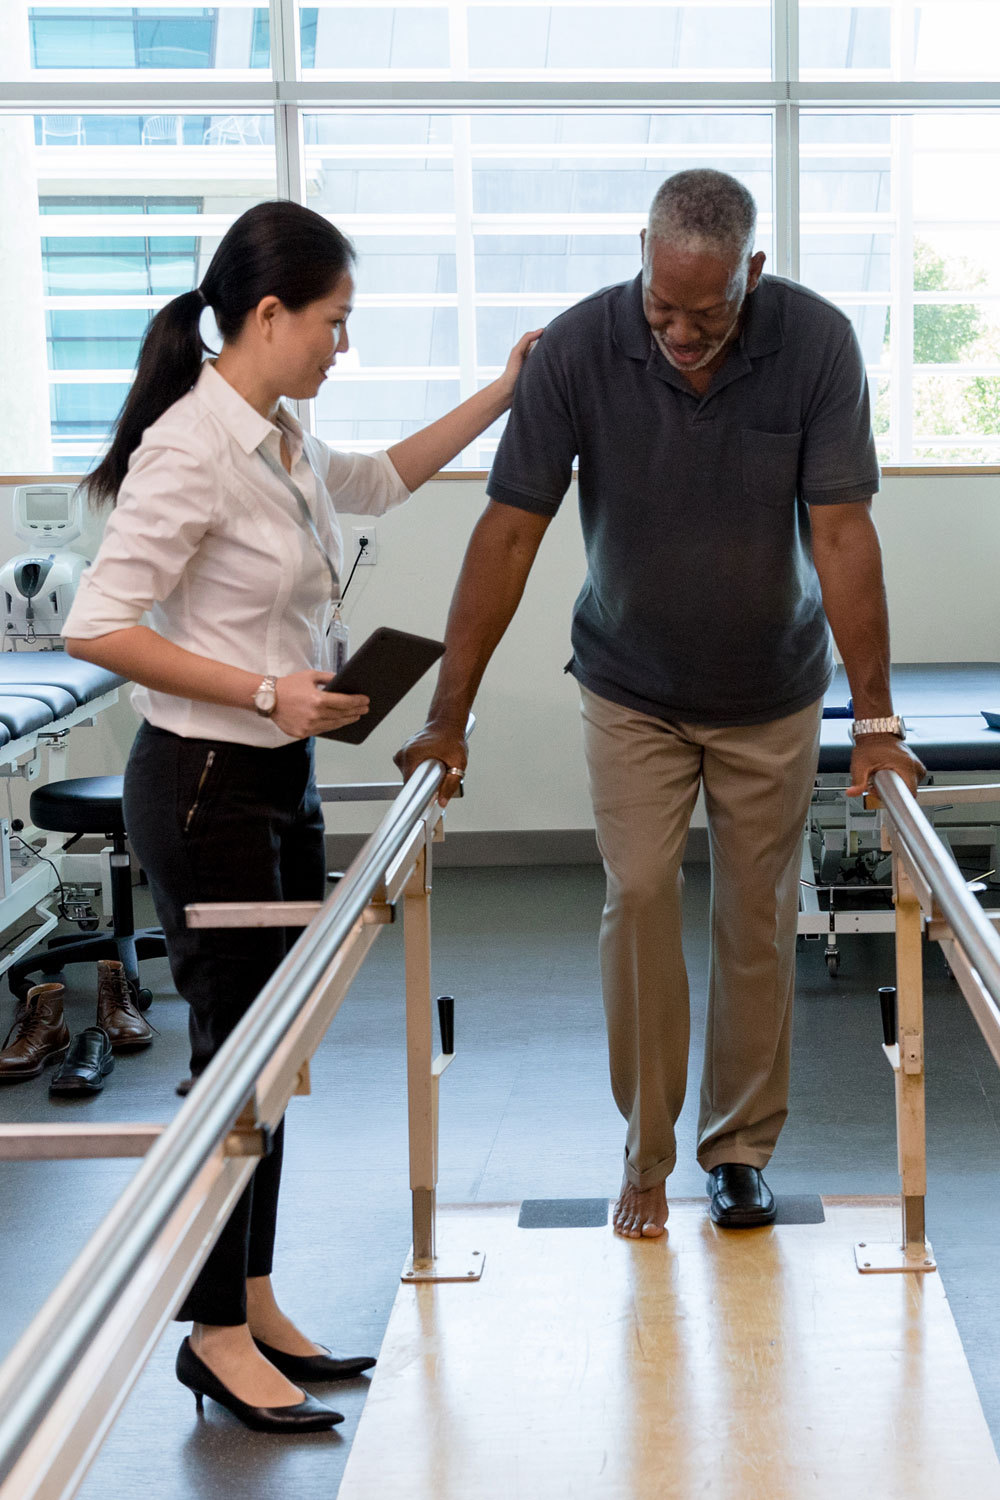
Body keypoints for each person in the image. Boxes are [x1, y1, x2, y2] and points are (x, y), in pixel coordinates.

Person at [63, 199, 539, 1433]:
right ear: (268, 315)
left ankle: (255, 1297)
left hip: (277, 778)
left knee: (275, 1063)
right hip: (205, 783)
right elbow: (96, 628)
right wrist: (266, 689)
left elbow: (380, 479)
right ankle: (212, 1333)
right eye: (333, 322)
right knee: (232, 1065)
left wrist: (503, 392)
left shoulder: (279, 433)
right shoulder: (190, 447)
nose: (343, 345)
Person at [396, 169, 924, 1243]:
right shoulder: (578, 349)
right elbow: (509, 532)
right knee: (638, 894)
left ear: (753, 274)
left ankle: (737, 1151)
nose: (680, 333)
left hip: (771, 690)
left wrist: (874, 721)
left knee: (755, 919)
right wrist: (447, 716)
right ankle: (645, 1149)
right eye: (661, 307)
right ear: (640, 255)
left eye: (707, 313)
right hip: (629, 683)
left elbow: (841, 533)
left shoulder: (817, 344)